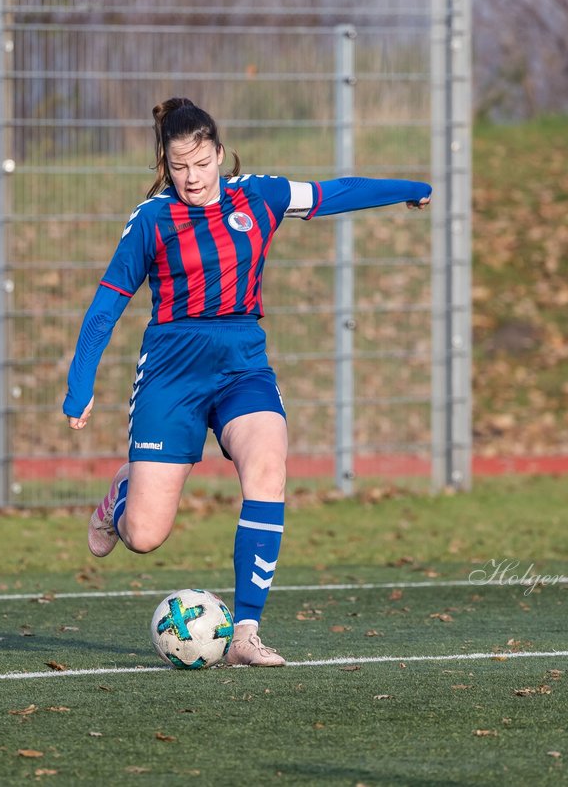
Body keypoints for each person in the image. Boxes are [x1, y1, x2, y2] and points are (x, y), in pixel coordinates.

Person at [64, 97, 431, 667]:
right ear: (165, 162)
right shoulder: (151, 221)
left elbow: (332, 193)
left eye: (202, 162)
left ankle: (245, 634)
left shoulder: (257, 196)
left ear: (218, 152)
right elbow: (107, 305)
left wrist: (406, 186)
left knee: (268, 468)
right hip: (172, 372)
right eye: (179, 166)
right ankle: (122, 494)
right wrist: (80, 383)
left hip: (243, 365)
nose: (192, 177)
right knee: (144, 535)